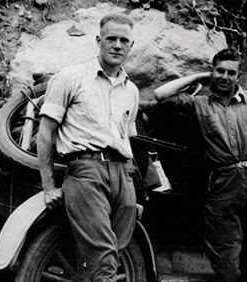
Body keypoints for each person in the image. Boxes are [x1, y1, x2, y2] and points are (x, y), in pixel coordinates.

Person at [154, 48, 247, 282]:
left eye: (231, 72)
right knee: (224, 251)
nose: (225, 77)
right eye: (219, 71)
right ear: (212, 72)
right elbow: (160, 95)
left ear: (239, 76)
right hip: (224, 181)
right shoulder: (200, 104)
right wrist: (197, 78)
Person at [37, 13, 139, 282]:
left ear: (131, 45)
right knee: (103, 260)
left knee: (115, 255)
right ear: (98, 40)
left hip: (122, 175)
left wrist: (134, 190)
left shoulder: (132, 91)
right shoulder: (70, 78)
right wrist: (49, 187)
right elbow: (45, 133)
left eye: (124, 40)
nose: (117, 45)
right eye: (111, 39)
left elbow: (129, 139)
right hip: (86, 172)